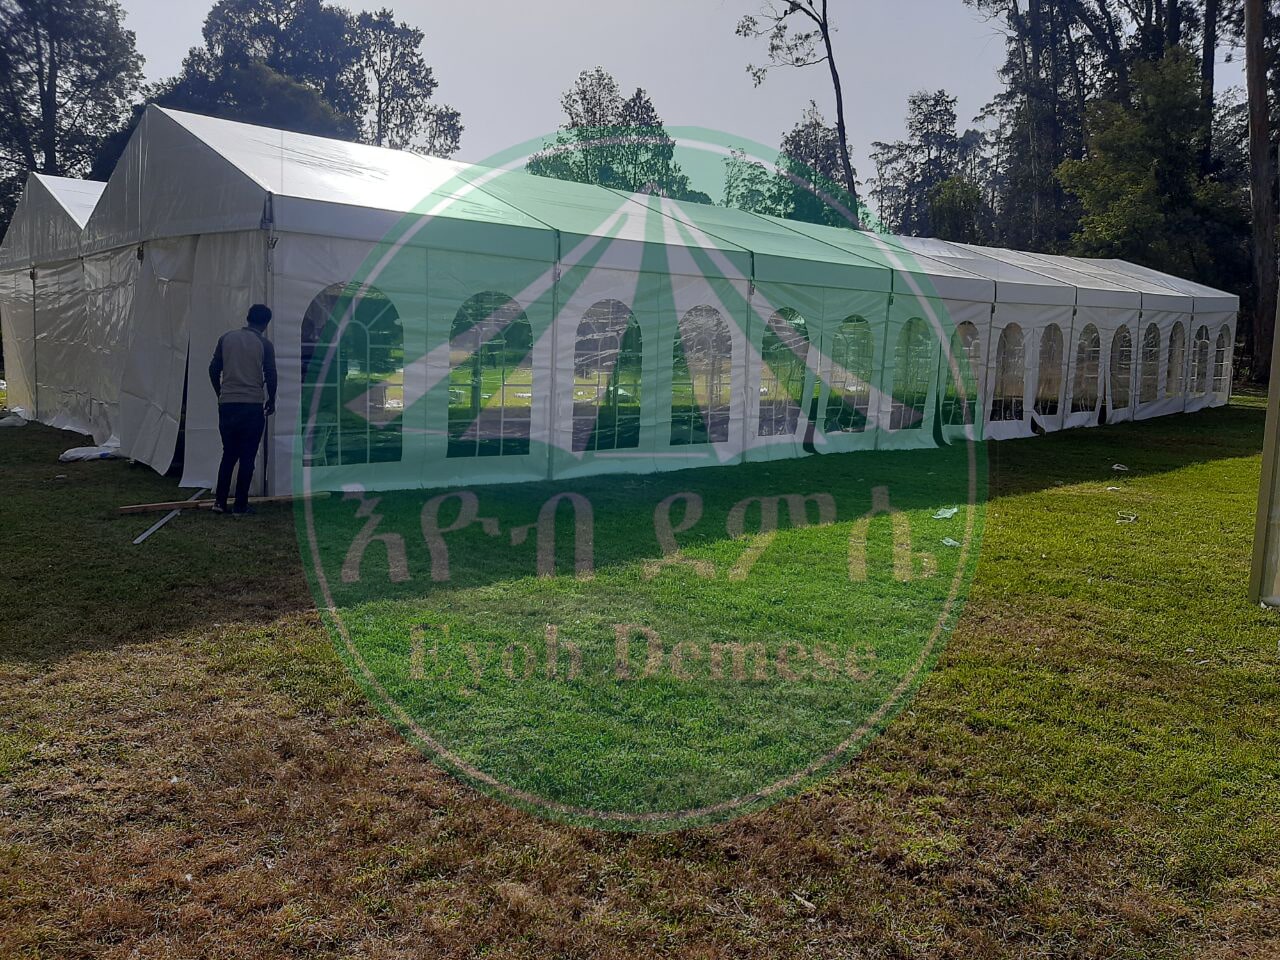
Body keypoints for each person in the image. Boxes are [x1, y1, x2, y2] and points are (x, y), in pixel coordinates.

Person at [209, 304, 277, 515]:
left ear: (248, 318)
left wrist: (220, 392)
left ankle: (219, 502)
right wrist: (272, 400)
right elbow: (271, 374)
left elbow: (213, 369)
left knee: (229, 454)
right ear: (266, 324)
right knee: (248, 456)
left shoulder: (226, 338)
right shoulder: (264, 344)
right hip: (252, 405)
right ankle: (240, 505)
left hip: (228, 404)